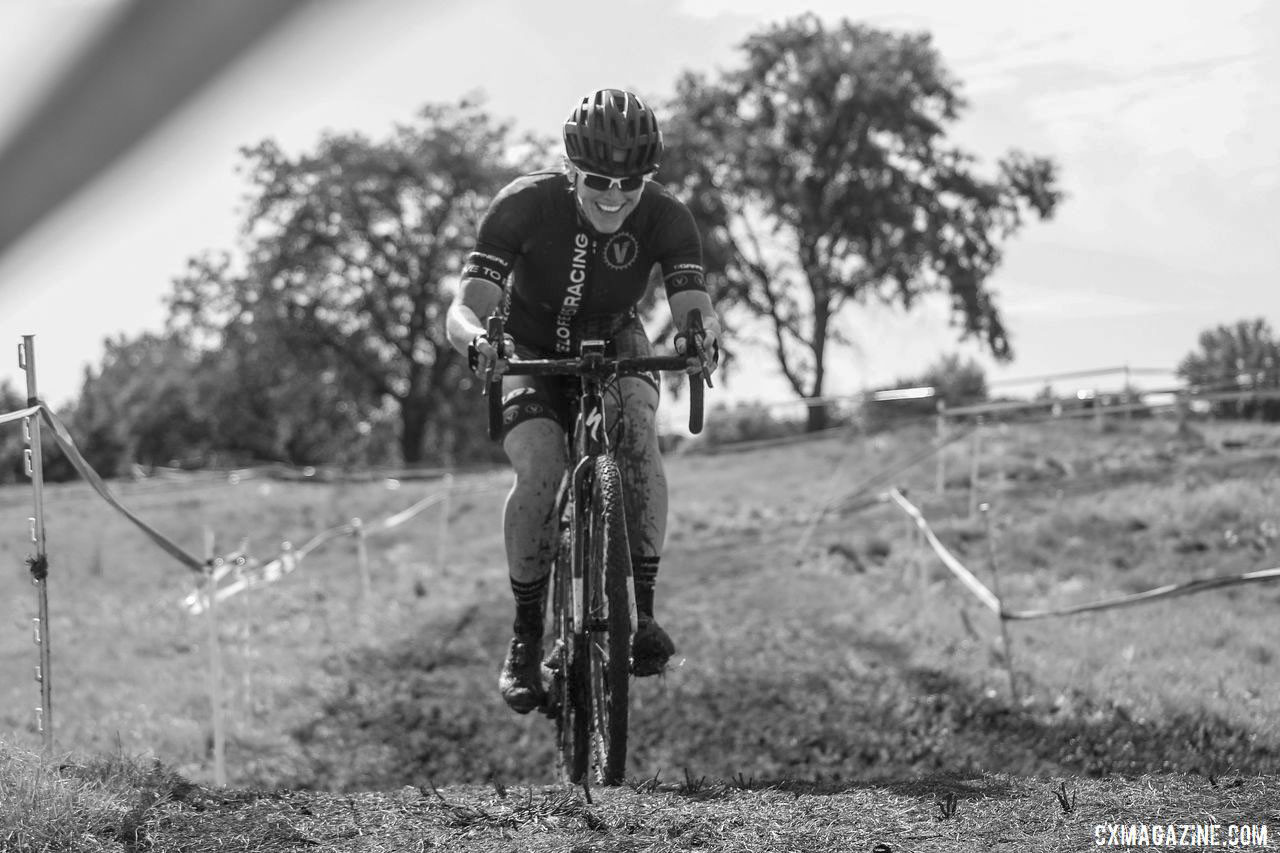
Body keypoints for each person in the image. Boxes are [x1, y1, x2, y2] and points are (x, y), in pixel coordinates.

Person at [445, 88, 722, 714]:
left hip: (617, 333)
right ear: (572, 169)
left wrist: (702, 336)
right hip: (528, 344)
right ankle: (524, 637)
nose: (614, 195)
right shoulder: (523, 205)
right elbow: (464, 308)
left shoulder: (666, 216)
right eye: (599, 178)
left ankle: (641, 614)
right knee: (541, 468)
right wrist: (476, 342)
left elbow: (692, 303)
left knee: (638, 435)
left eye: (631, 181)